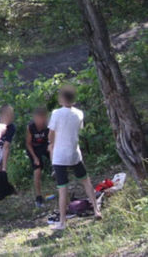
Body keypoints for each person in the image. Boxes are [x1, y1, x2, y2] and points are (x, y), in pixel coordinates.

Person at [48, 85, 102, 230]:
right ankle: (96, 210)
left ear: (62, 98)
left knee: (62, 188)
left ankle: (62, 222)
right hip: (74, 153)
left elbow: (51, 135)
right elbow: (79, 129)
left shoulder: (56, 113)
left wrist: (50, 144)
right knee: (86, 181)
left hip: (60, 156)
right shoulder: (79, 113)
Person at [25, 106, 51, 207]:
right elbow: (28, 143)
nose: (40, 121)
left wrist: (50, 147)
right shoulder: (31, 127)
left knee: (58, 162)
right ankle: (38, 197)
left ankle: (62, 186)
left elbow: (52, 139)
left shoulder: (48, 125)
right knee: (37, 170)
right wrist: (35, 157)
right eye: (37, 118)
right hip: (34, 148)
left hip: (45, 146)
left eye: (42, 118)